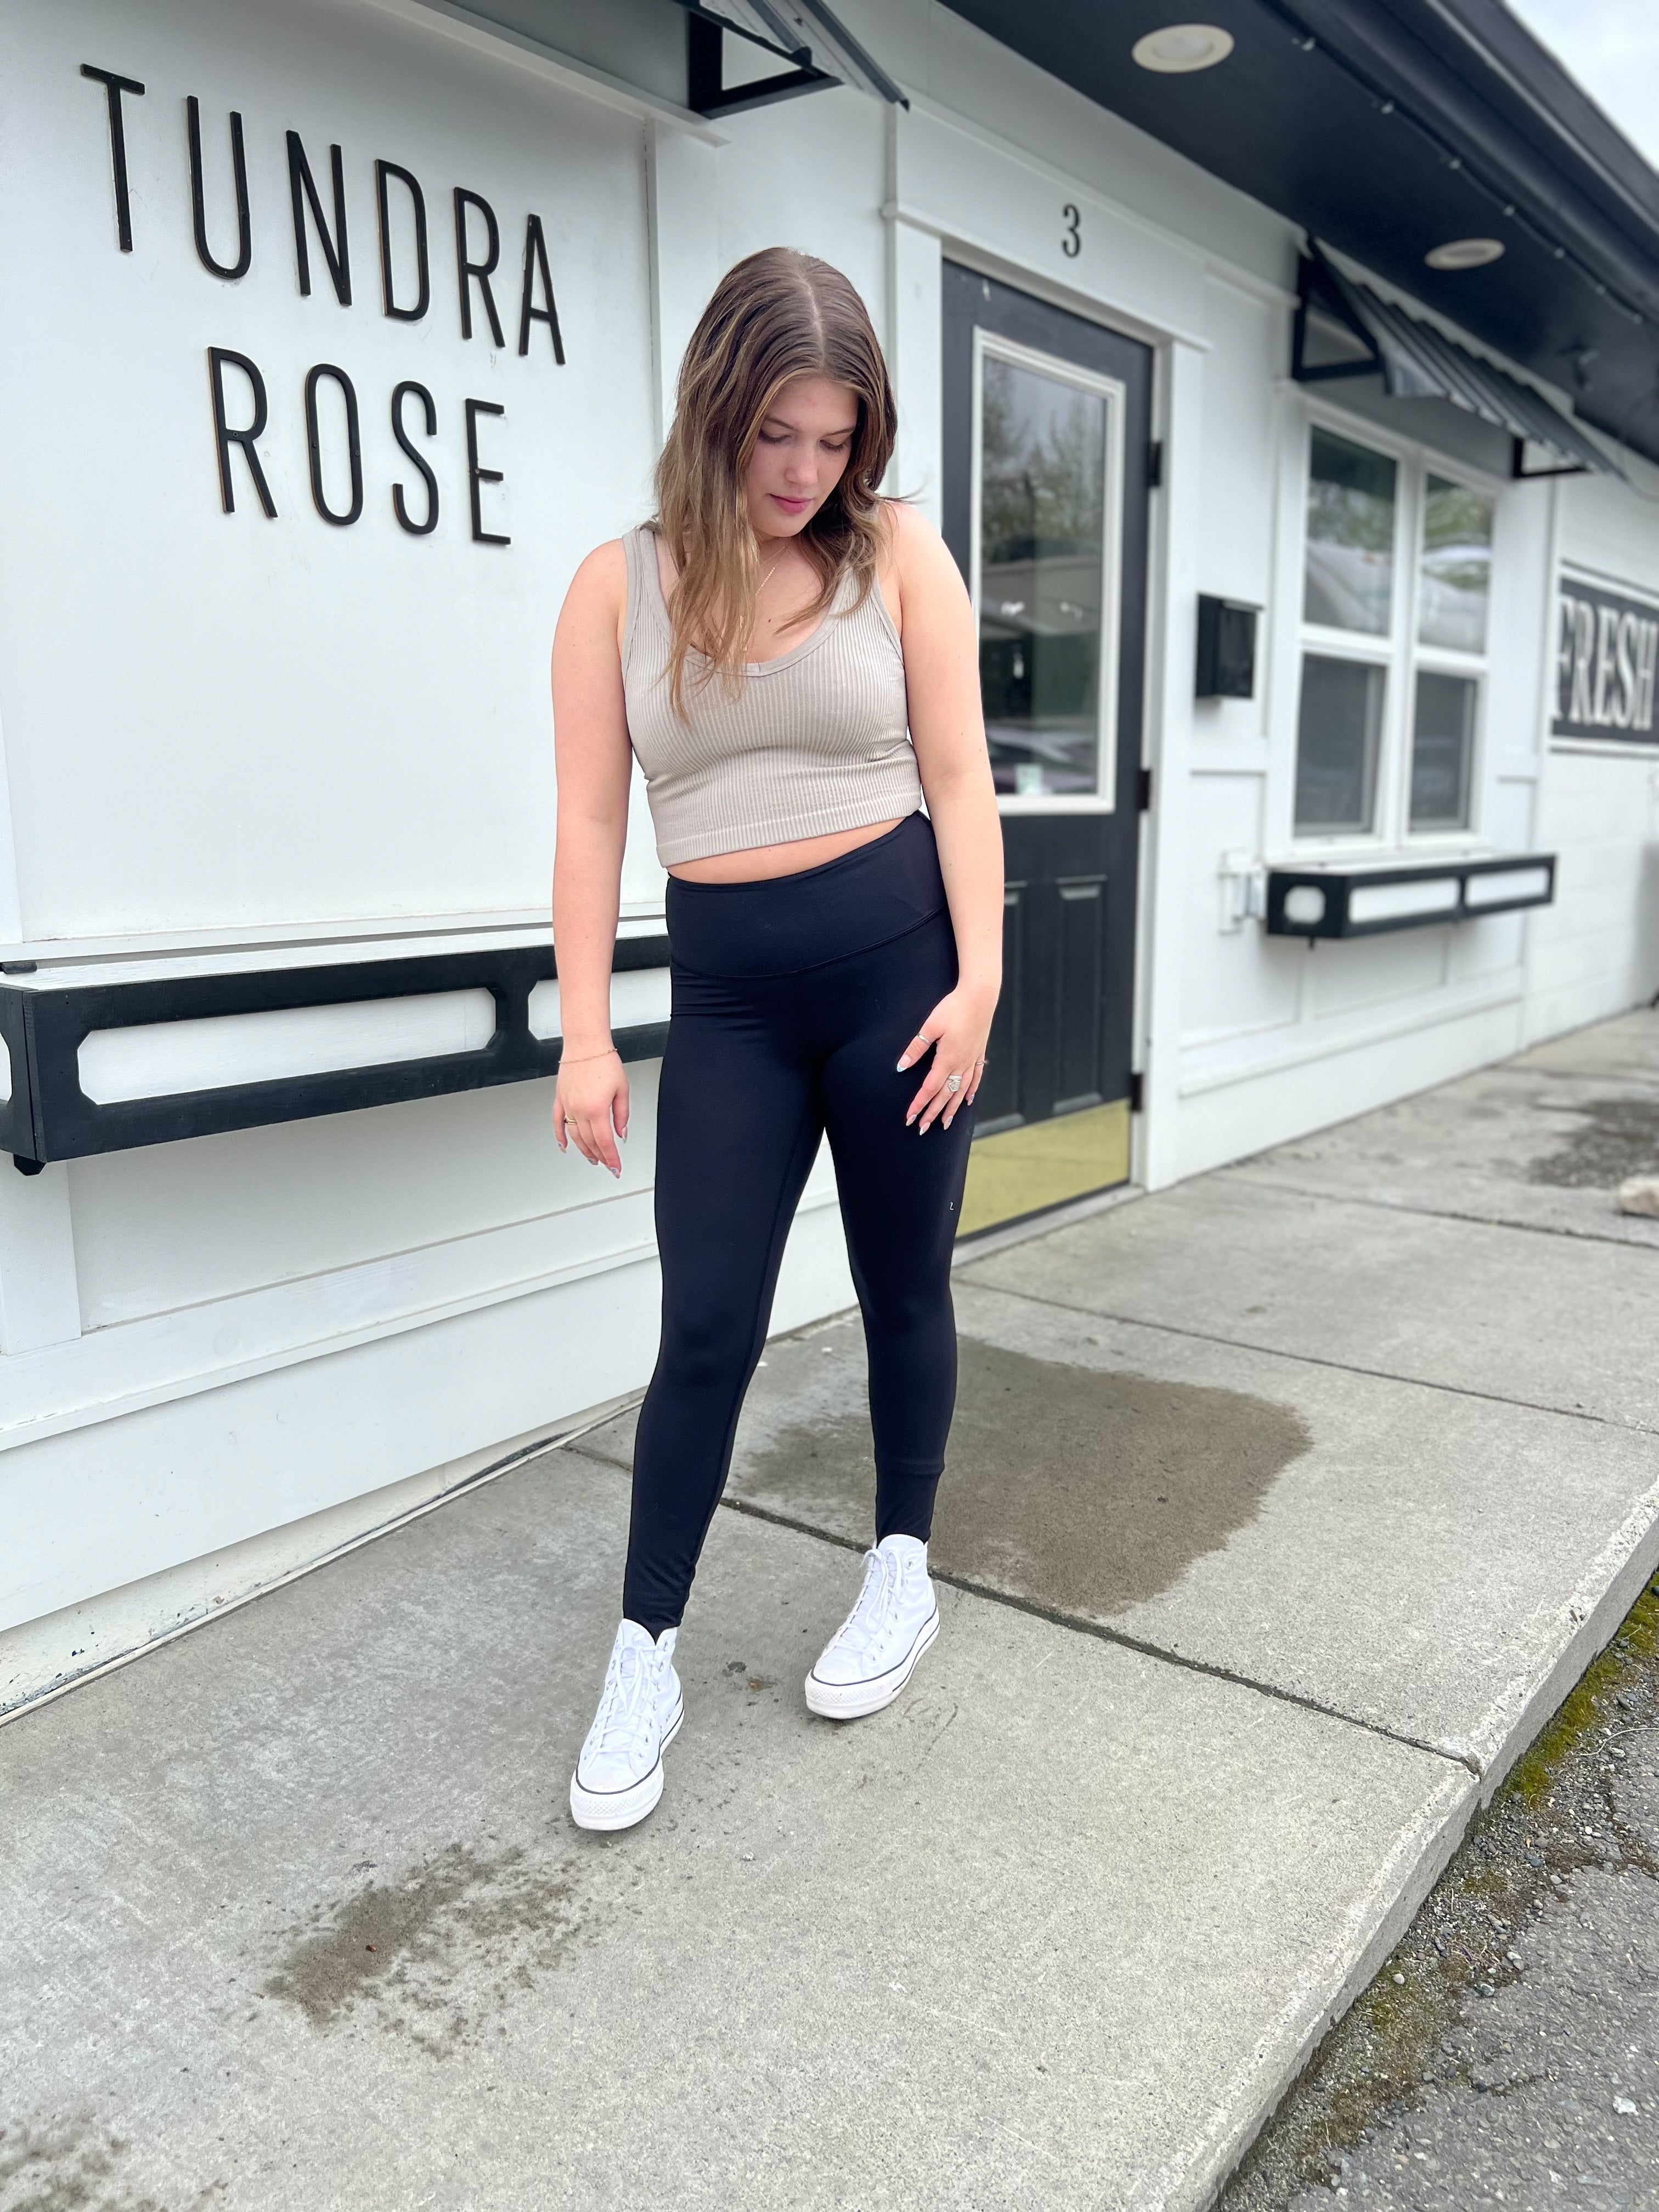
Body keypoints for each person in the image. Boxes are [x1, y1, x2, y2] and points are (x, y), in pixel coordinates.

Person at [550, 246, 1003, 1832]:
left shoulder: (900, 557)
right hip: (732, 1007)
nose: (805, 472)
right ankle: (644, 1650)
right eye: (775, 437)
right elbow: (591, 820)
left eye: (834, 438)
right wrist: (586, 1035)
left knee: (901, 1286)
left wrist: (980, 983)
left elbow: (960, 778)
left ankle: (901, 1566)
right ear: (715, 411)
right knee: (705, 1324)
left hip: (904, 986)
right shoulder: (619, 585)